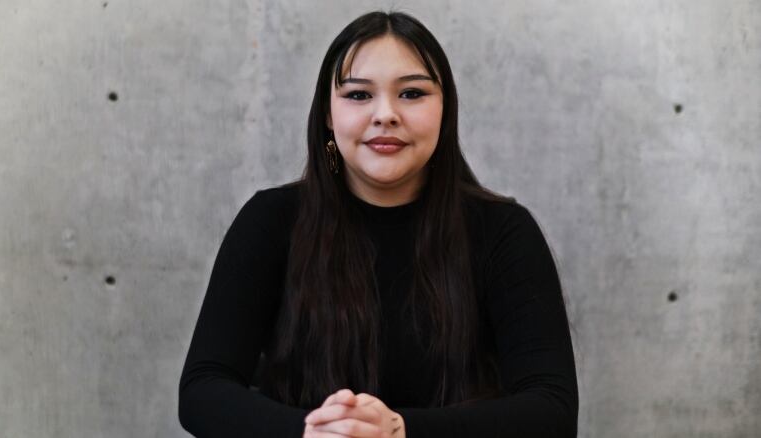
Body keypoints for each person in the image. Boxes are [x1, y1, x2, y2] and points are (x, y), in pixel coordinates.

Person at [179, 10, 578, 438]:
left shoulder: (503, 232)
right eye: (357, 95)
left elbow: (551, 410)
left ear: (445, 111)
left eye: (411, 93)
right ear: (329, 115)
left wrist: (399, 431)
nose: (385, 114)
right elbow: (203, 390)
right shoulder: (271, 221)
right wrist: (311, 433)